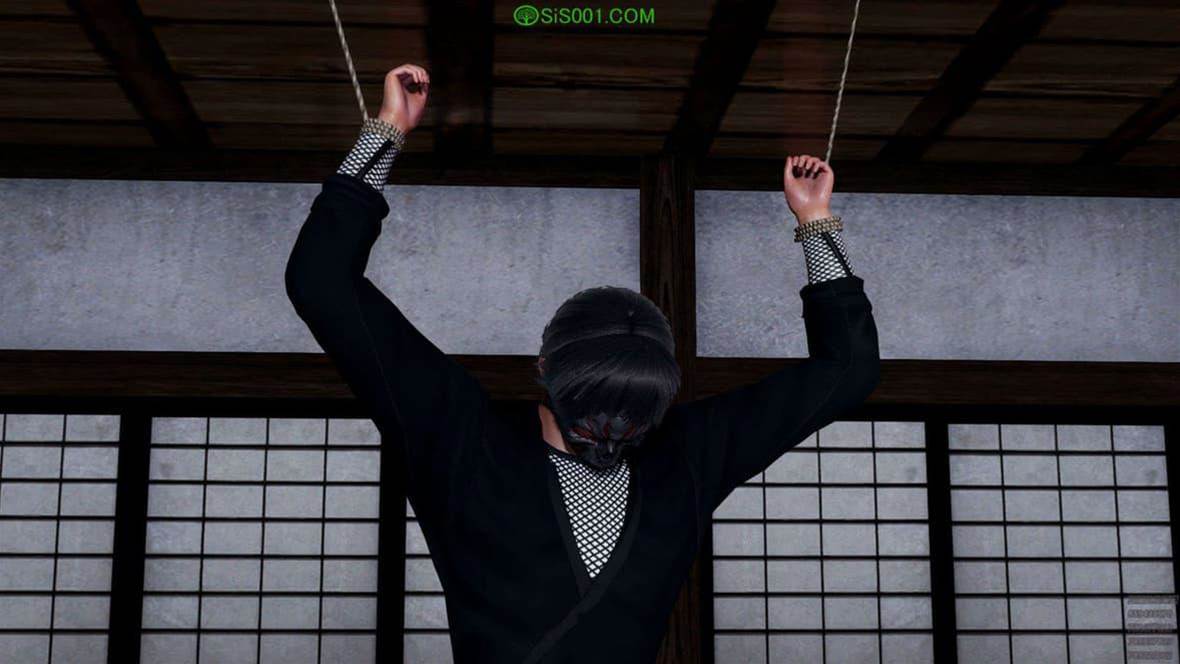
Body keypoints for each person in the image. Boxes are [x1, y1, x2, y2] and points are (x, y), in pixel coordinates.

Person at [285, 63, 880, 664]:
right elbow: (319, 279)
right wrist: (387, 130)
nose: (611, 428)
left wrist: (817, 222)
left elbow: (849, 371)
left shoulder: (682, 453)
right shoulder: (468, 438)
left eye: (635, 411)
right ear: (544, 368)